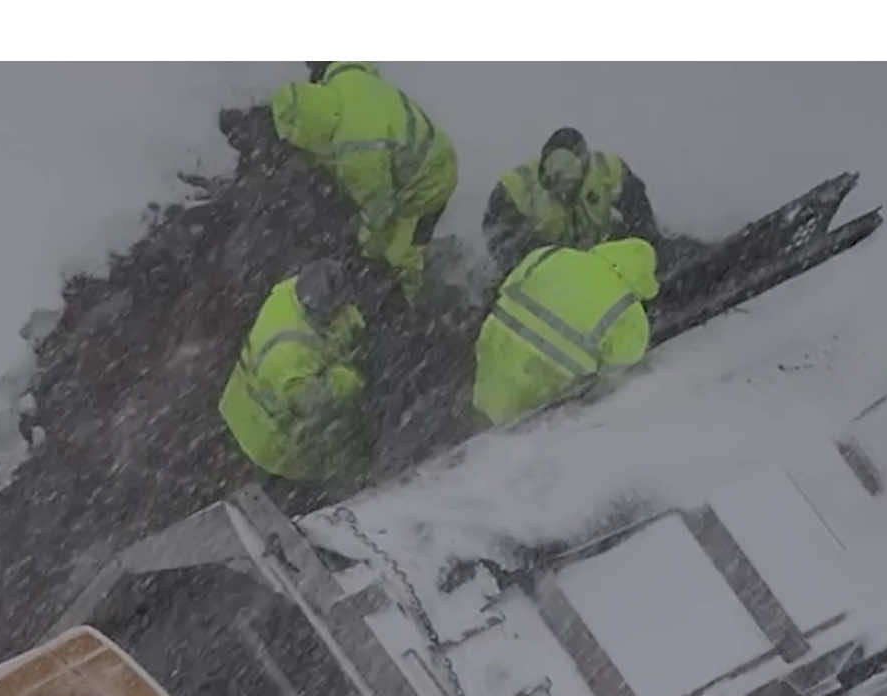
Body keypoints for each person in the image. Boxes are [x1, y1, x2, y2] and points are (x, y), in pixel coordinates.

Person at [269, 63, 457, 297]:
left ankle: (411, 301)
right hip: (432, 151)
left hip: (427, 184)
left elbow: (379, 214)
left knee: (398, 255)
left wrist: (364, 253)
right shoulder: (344, 82)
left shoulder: (356, 152)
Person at [472, 237, 659, 427]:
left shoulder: (554, 254)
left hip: (500, 342)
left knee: (492, 397)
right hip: (549, 375)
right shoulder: (629, 311)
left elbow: (508, 287)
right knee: (511, 419)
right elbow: (619, 366)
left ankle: (478, 419)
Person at [219, 260, 369, 483]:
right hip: (267, 438)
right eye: (339, 309)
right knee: (333, 457)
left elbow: (339, 322)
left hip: (249, 401)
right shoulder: (288, 357)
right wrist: (352, 378)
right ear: (321, 313)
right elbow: (322, 405)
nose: (346, 311)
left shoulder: (292, 292)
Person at [483, 128, 658, 276]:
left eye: (569, 184)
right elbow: (498, 237)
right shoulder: (519, 186)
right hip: (548, 274)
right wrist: (532, 262)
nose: (563, 193)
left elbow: (642, 221)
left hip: (602, 266)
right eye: (554, 181)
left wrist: (626, 260)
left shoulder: (609, 172)